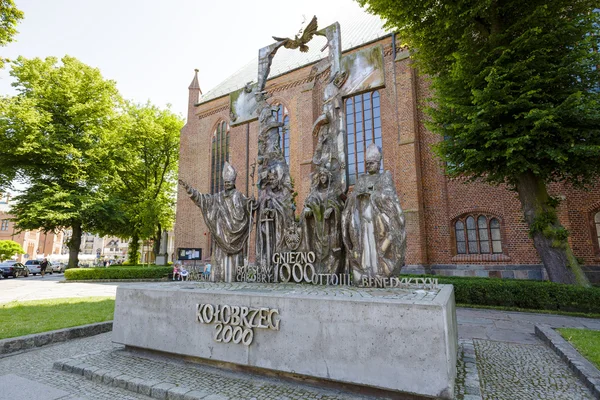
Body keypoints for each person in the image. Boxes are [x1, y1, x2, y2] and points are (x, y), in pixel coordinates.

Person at [342, 143, 406, 284]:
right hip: (364, 220)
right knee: (365, 247)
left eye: (371, 163)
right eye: (367, 163)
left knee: (376, 247)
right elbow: (352, 198)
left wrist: (373, 195)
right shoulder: (361, 179)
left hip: (377, 221)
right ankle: (366, 273)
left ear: (378, 164)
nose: (368, 166)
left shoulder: (384, 178)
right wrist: (357, 196)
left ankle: (380, 273)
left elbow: (389, 197)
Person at [179, 162, 252, 282]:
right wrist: (189, 189)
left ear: (233, 182)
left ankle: (234, 278)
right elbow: (203, 200)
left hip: (235, 237)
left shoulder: (239, 196)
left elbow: (247, 206)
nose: (227, 184)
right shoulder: (217, 197)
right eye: (225, 182)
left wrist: (251, 204)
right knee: (219, 261)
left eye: (229, 182)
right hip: (220, 236)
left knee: (234, 268)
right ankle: (219, 277)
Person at [301, 166, 344, 275]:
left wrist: (332, 208)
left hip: (330, 228)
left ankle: (330, 271)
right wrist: (308, 208)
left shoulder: (333, 190)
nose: (322, 178)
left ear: (328, 177)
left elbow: (340, 204)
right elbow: (308, 202)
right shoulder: (314, 192)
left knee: (331, 249)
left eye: (324, 176)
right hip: (317, 228)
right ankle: (317, 270)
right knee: (317, 248)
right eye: (320, 176)